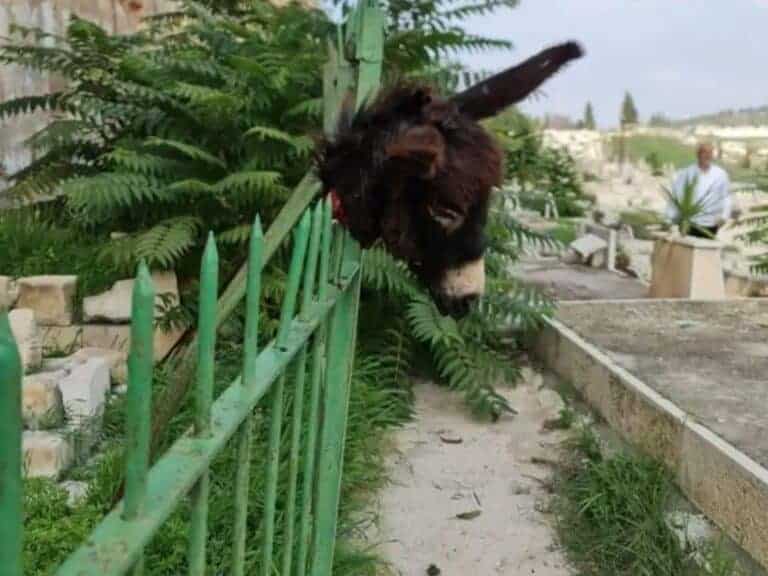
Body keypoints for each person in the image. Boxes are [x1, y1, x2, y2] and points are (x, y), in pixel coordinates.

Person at [665, 142, 734, 238]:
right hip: (688, 222)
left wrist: (724, 216)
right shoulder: (687, 173)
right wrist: (669, 219)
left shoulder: (721, 175)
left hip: (711, 223)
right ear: (698, 154)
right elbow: (676, 195)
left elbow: (726, 197)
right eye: (704, 152)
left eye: (710, 153)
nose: (707, 155)